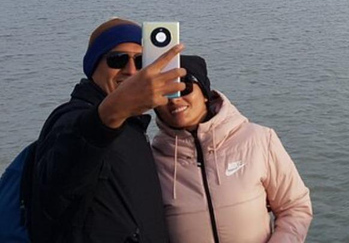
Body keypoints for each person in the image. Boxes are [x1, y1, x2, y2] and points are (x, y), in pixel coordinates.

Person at [31, 18, 187, 242]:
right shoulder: (71, 119)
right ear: (93, 66)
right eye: (117, 60)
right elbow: (58, 183)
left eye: (140, 61)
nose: (131, 71)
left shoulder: (133, 126)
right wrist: (107, 116)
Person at [151, 55, 313, 243]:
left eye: (184, 88)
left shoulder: (259, 140)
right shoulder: (150, 161)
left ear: (205, 93)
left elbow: (295, 207)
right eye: (164, 93)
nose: (174, 100)